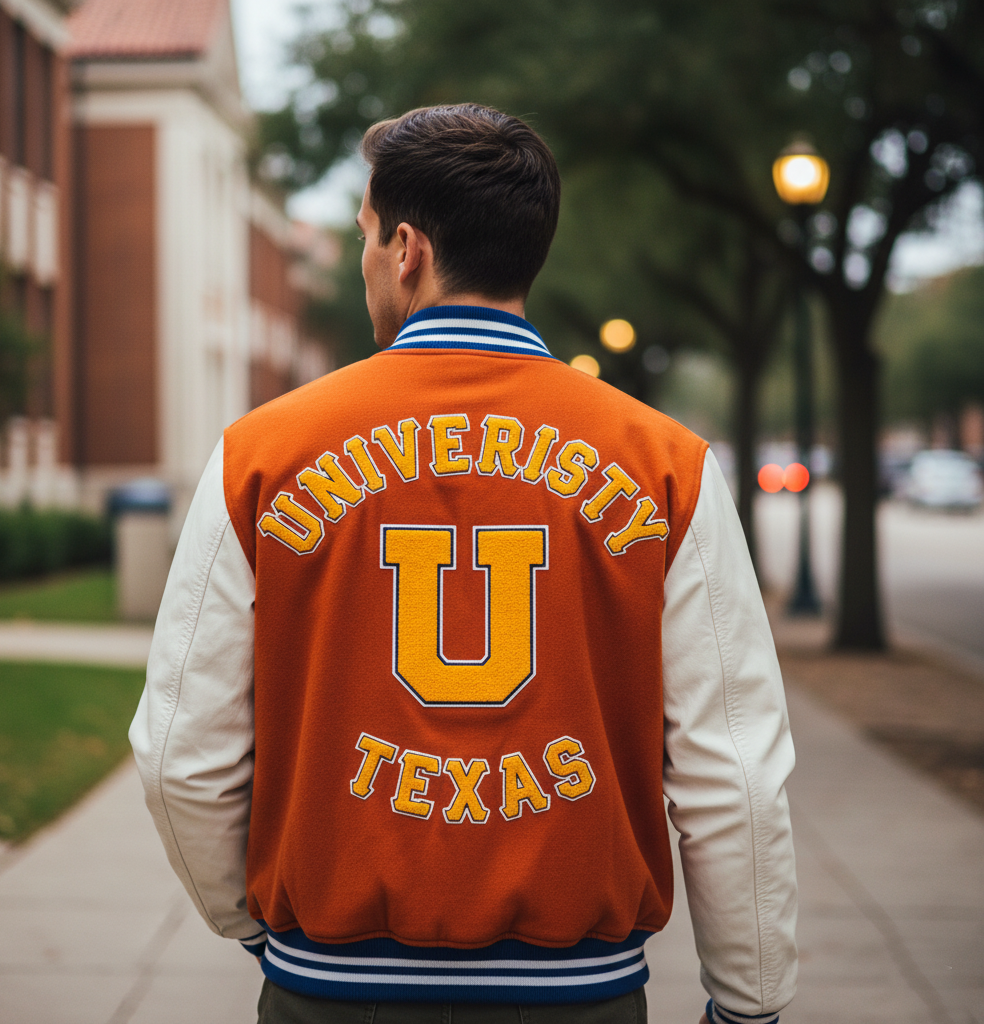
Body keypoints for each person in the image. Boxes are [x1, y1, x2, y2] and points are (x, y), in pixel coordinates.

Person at [130, 103, 798, 1024]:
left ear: (407, 250)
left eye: (365, 234)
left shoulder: (262, 454)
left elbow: (180, 757)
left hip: (332, 987)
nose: (367, 259)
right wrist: (750, 1000)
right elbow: (734, 770)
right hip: (579, 994)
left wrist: (250, 925)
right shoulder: (665, 462)